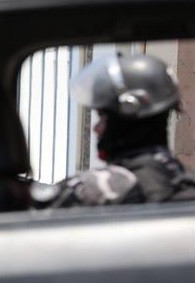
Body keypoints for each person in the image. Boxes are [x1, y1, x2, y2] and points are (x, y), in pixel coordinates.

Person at [40, 53, 195, 208]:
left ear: (128, 114)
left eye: (102, 117)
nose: (96, 128)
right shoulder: (185, 181)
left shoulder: (94, 190)